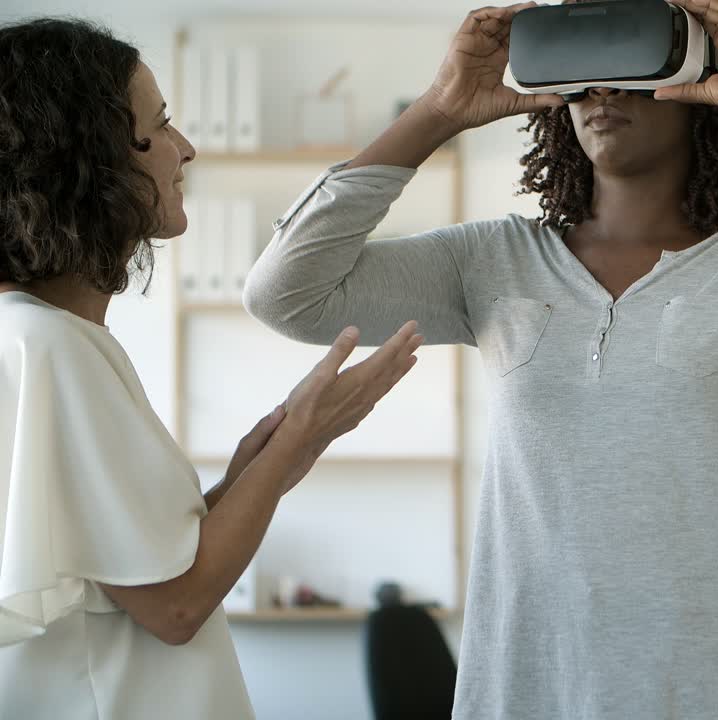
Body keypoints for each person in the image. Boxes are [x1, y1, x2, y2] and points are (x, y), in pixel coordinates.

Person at [245, 0, 718, 717]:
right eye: (583, 69)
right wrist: (438, 110)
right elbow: (288, 295)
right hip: (528, 691)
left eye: (632, 58)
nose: (603, 91)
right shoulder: (490, 260)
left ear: (699, 79)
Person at [0, 18, 422, 719]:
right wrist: (298, 438)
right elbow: (175, 608)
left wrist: (270, 464)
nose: (185, 149)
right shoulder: (49, 348)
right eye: (159, 126)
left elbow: (144, 571)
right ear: (86, 156)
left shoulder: (50, 339)